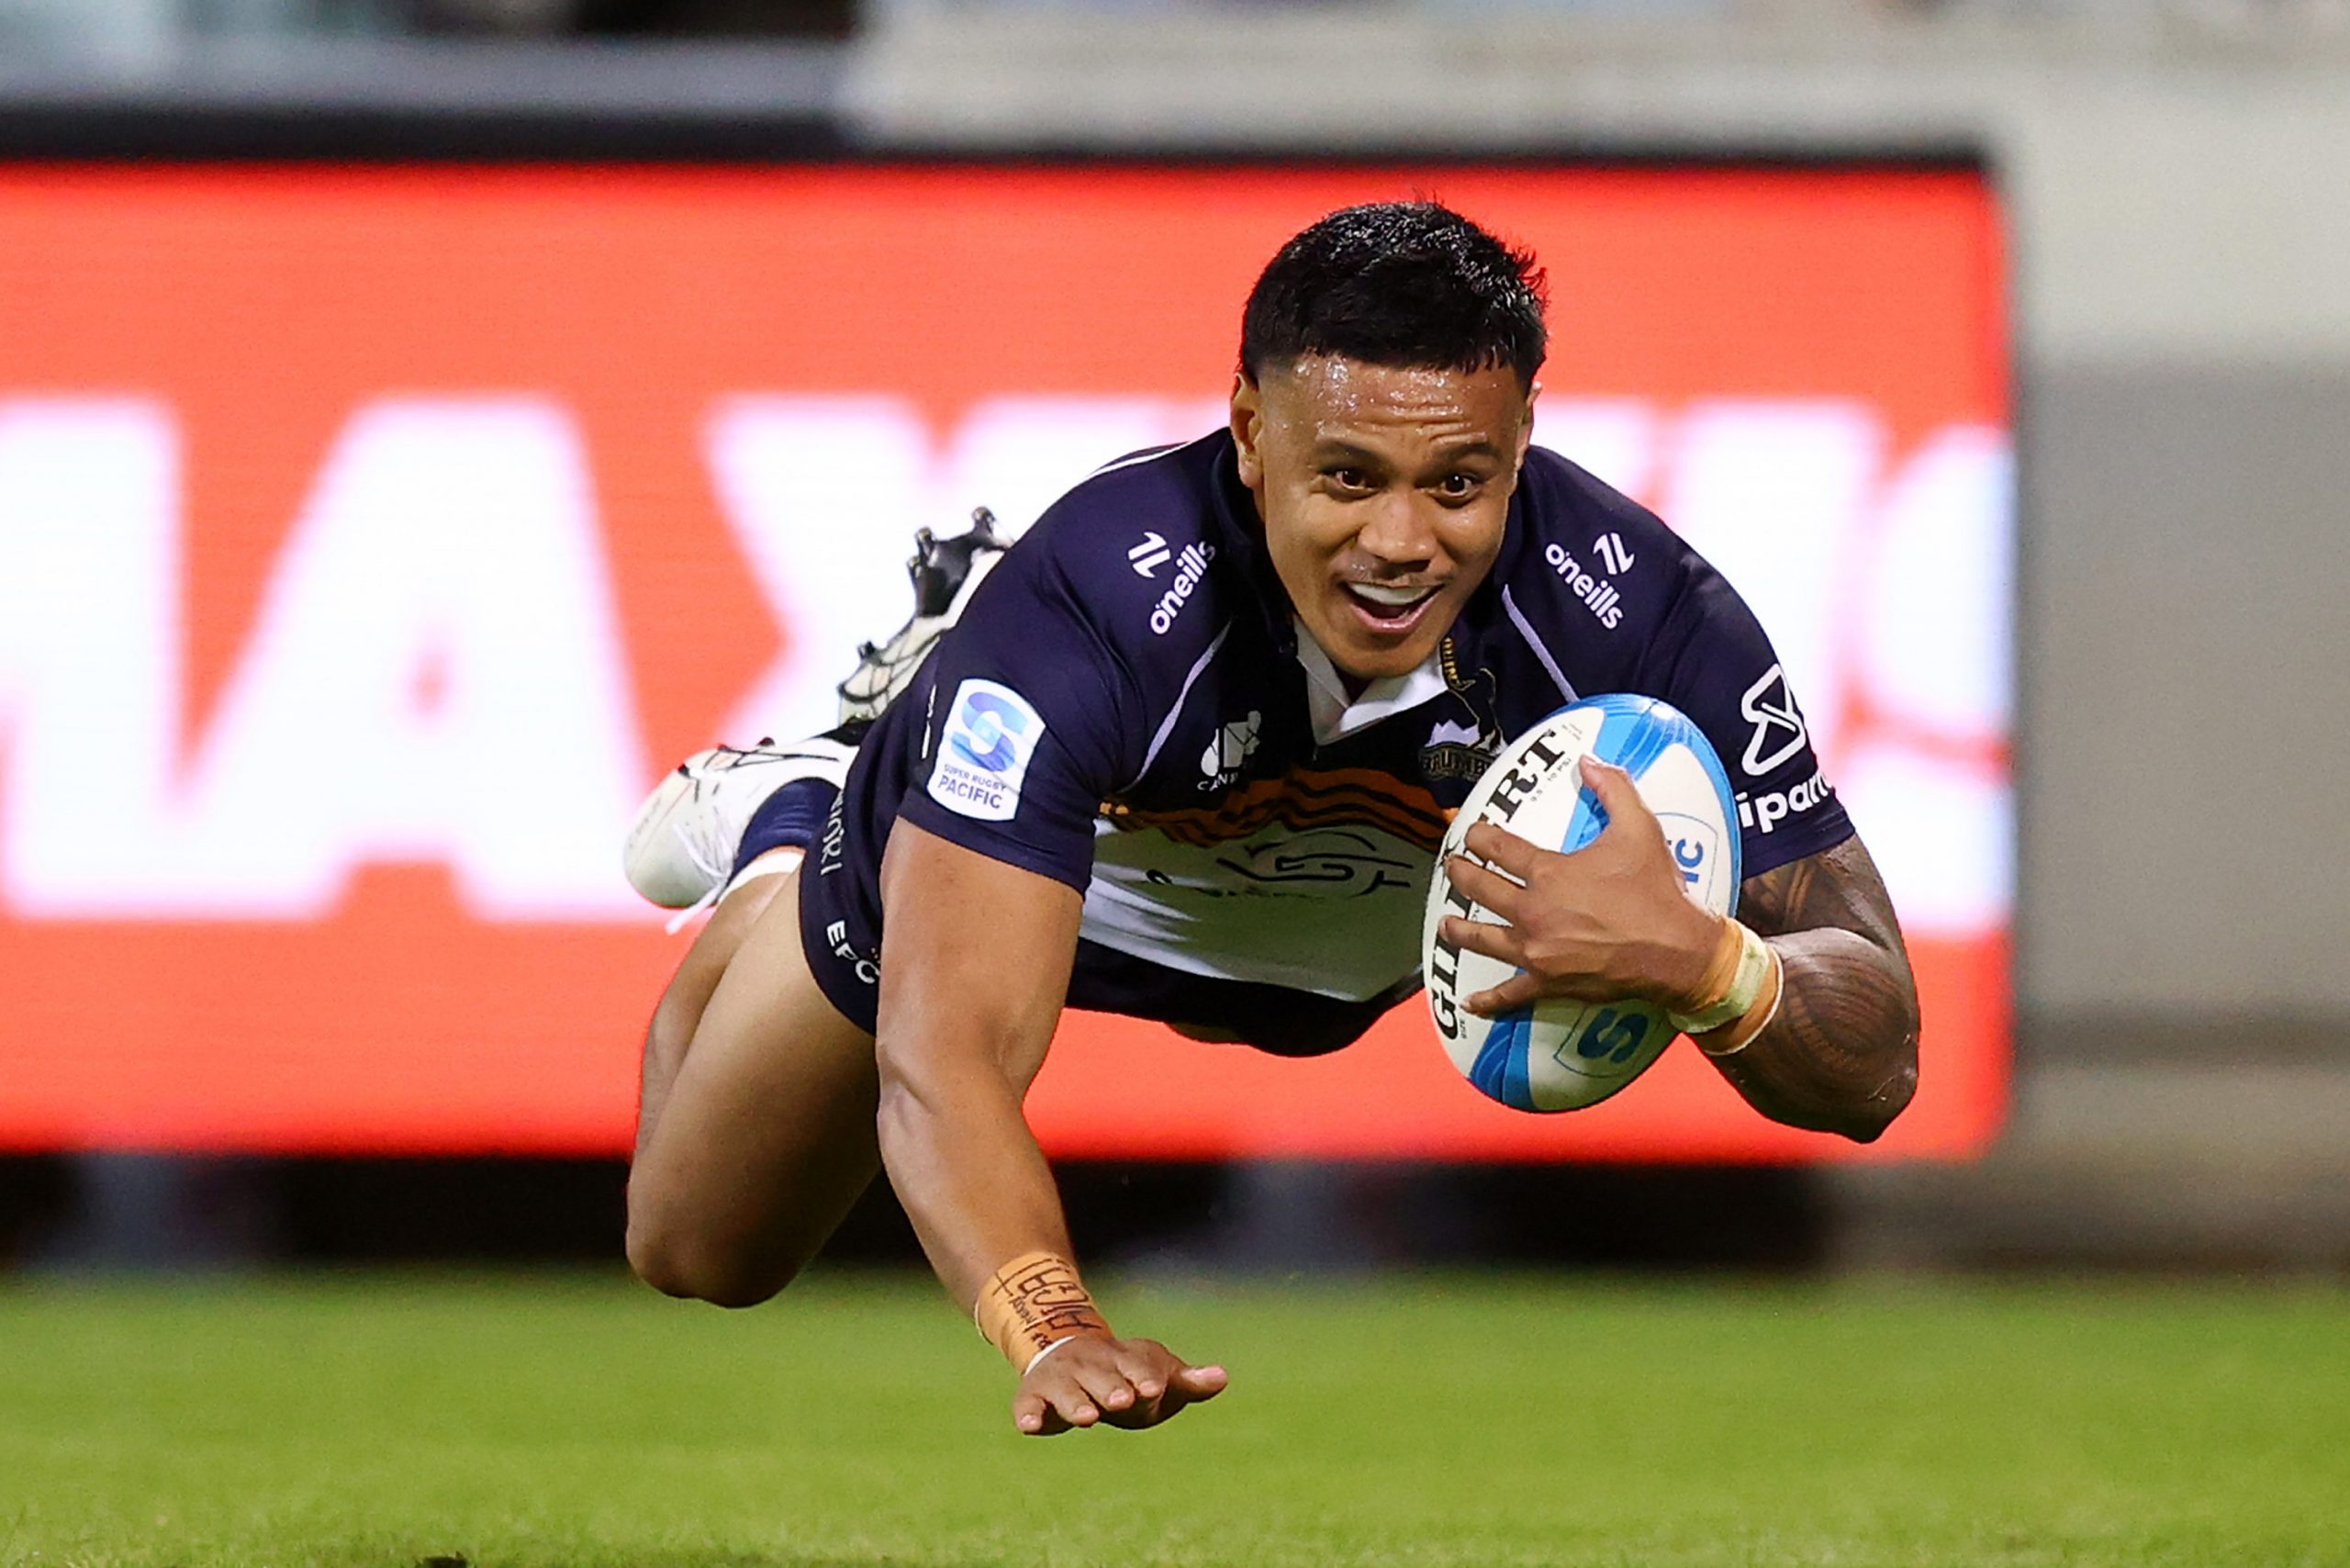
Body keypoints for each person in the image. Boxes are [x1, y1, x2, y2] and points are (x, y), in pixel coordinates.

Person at [621, 201, 1920, 1439]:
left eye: (1459, 484)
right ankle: (791, 813)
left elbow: (1883, 1055)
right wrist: (1050, 1322)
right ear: (1250, 432)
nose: (1401, 542)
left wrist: (1707, 964)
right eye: (1346, 478)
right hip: (1065, 888)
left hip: (1325, 949)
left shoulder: (1643, 620)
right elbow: (945, 1056)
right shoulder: (1094, 604)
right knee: (700, 1247)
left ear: (1524, 438)